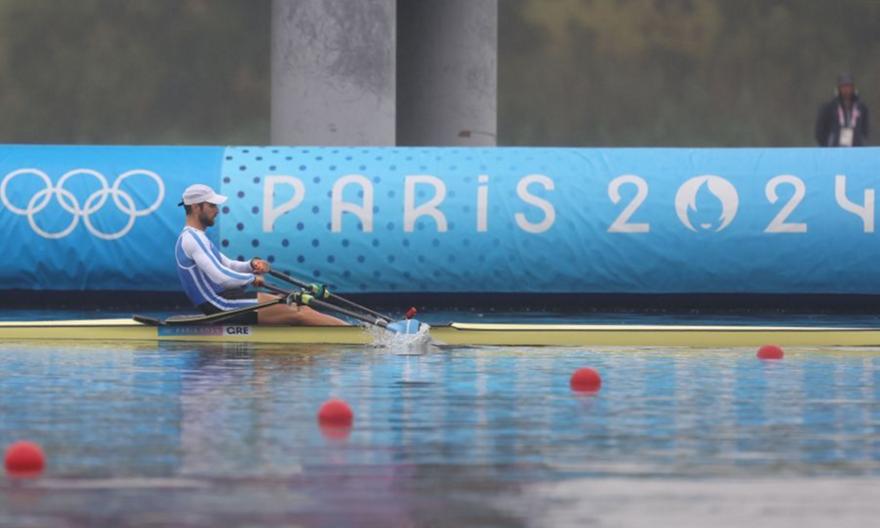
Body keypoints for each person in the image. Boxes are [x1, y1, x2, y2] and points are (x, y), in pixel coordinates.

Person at [175, 183, 346, 326]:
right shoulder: (191, 239)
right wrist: (251, 279)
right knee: (296, 311)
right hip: (221, 304)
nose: (217, 210)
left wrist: (251, 265)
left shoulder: (198, 237)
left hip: (228, 299)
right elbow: (222, 277)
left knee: (294, 303)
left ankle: (347, 332)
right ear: (197, 207)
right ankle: (357, 334)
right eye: (212, 205)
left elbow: (229, 265)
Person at [815, 73, 870, 147]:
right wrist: (827, 146)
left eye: (849, 86)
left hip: (856, 150)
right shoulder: (828, 107)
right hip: (834, 150)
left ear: (853, 88)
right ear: (838, 88)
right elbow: (820, 131)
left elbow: (865, 130)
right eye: (843, 86)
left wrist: (859, 141)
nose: (846, 89)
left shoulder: (862, 107)